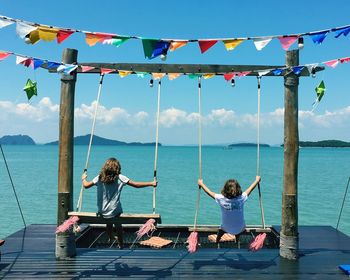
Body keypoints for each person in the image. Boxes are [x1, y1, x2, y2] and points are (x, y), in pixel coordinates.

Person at [82, 157, 157, 248]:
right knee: (118, 224)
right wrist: (151, 183)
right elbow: (136, 185)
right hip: (114, 212)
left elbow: (85, 185)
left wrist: (83, 178)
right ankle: (121, 244)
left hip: (102, 211)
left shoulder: (99, 177)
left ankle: (111, 237)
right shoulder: (120, 178)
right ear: (117, 168)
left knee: (109, 221)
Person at [197, 175, 261, 243]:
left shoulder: (221, 198)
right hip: (240, 229)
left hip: (226, 228)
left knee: (221, 230)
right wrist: (257, 180)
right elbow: (250, 188)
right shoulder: (242, 198)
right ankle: (237, 239)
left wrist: (201, 184)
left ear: (225, 189)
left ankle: (217, 240)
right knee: (238, 228)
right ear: (238, 188)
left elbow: (209, 192)